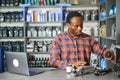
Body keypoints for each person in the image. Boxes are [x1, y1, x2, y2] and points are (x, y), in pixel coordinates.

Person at [49, 11, 114, 70]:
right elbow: (53, 61)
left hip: (85, 74)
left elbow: (101, 50)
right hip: (66, 75)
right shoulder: (58, 39)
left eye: (81, 25)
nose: (80, 28)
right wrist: (71, 65)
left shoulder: (88, 39)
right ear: (68, 25)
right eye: (76, 26)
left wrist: (107, 53)